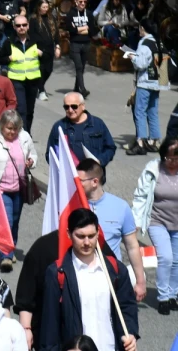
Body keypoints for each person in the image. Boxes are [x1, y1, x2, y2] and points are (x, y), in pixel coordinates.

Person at [41, 209, 139, 351]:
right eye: (80, 236)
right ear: (69, 234)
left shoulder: (115, 269)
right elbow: (50, 325)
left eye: (91, 236)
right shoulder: (57, 272)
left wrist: (129, 333)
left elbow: (127, 306)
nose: (87, 242)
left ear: (98, 233)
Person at [79, 159, 146, 303]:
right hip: (80, 277)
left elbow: (132, 246)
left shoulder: (121, 207)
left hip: (111, 278)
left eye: (80, 181)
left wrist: (140, 282)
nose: (76, 184)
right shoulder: (73, 206)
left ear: (95, 182)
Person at [132, 135, 178, 312]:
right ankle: (163, 297)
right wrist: (136, 220)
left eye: (175, 158)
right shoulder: (153, 169)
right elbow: (141, 195)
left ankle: (173, 294)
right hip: (157, 220)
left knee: (176, 261)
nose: (171, 162)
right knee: (165, 257)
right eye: (168, 158)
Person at [0, 109, 37, 265]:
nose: (12, 132)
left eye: (15, 128)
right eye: (9, 128)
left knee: (15, 221)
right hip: (1, 190)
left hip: (19, 188)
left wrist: (31, 161)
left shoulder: (24, 137)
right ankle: (6, 256)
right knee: (6, 222)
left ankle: (11, 247)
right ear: (2, 126)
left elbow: (33, 155)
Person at [0, 13, 46, 132]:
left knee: (30, 110)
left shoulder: (35, 40)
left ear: (28, 26)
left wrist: (42, 54)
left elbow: (48, 57)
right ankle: (24, 134)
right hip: (16, 80)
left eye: (24, 25)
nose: (21, 27)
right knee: (21, 109)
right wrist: (9, 58)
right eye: (18, 25)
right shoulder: (9, 42)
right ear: (14, 27)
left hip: (33, 80)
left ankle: (27, 132)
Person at [124, 18, 163, 156]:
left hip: (145, 82)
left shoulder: (144, 43)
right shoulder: (157, 42)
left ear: (142, 28)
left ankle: (140, 142)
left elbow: (140, 64)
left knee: (140, 112)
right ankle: (154, 141)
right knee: (153, 112)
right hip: (157, 82)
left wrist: (131, 56)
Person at [46, 93, 116, 169]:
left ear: (82, 106)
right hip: (70, 178)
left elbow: (110, 148)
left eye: (74, 106)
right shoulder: (59, 127)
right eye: (66, 107)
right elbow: (50, 155)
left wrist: (99, 161)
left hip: (92, 177)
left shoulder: (97, 124)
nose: (70, 110)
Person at [63, 0, 95, 96]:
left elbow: (92, 30)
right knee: (79, 66)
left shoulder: (89, 14)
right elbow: (70, 29)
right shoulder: (71, 13)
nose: (83, 4)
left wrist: (78, 30)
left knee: (82, 67)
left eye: (85, 2)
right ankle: (83, 89)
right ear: (76, 2)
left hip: (86, 43)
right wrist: (83, 28)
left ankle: (76, 87)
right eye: (80, 2)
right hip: (75, 44)